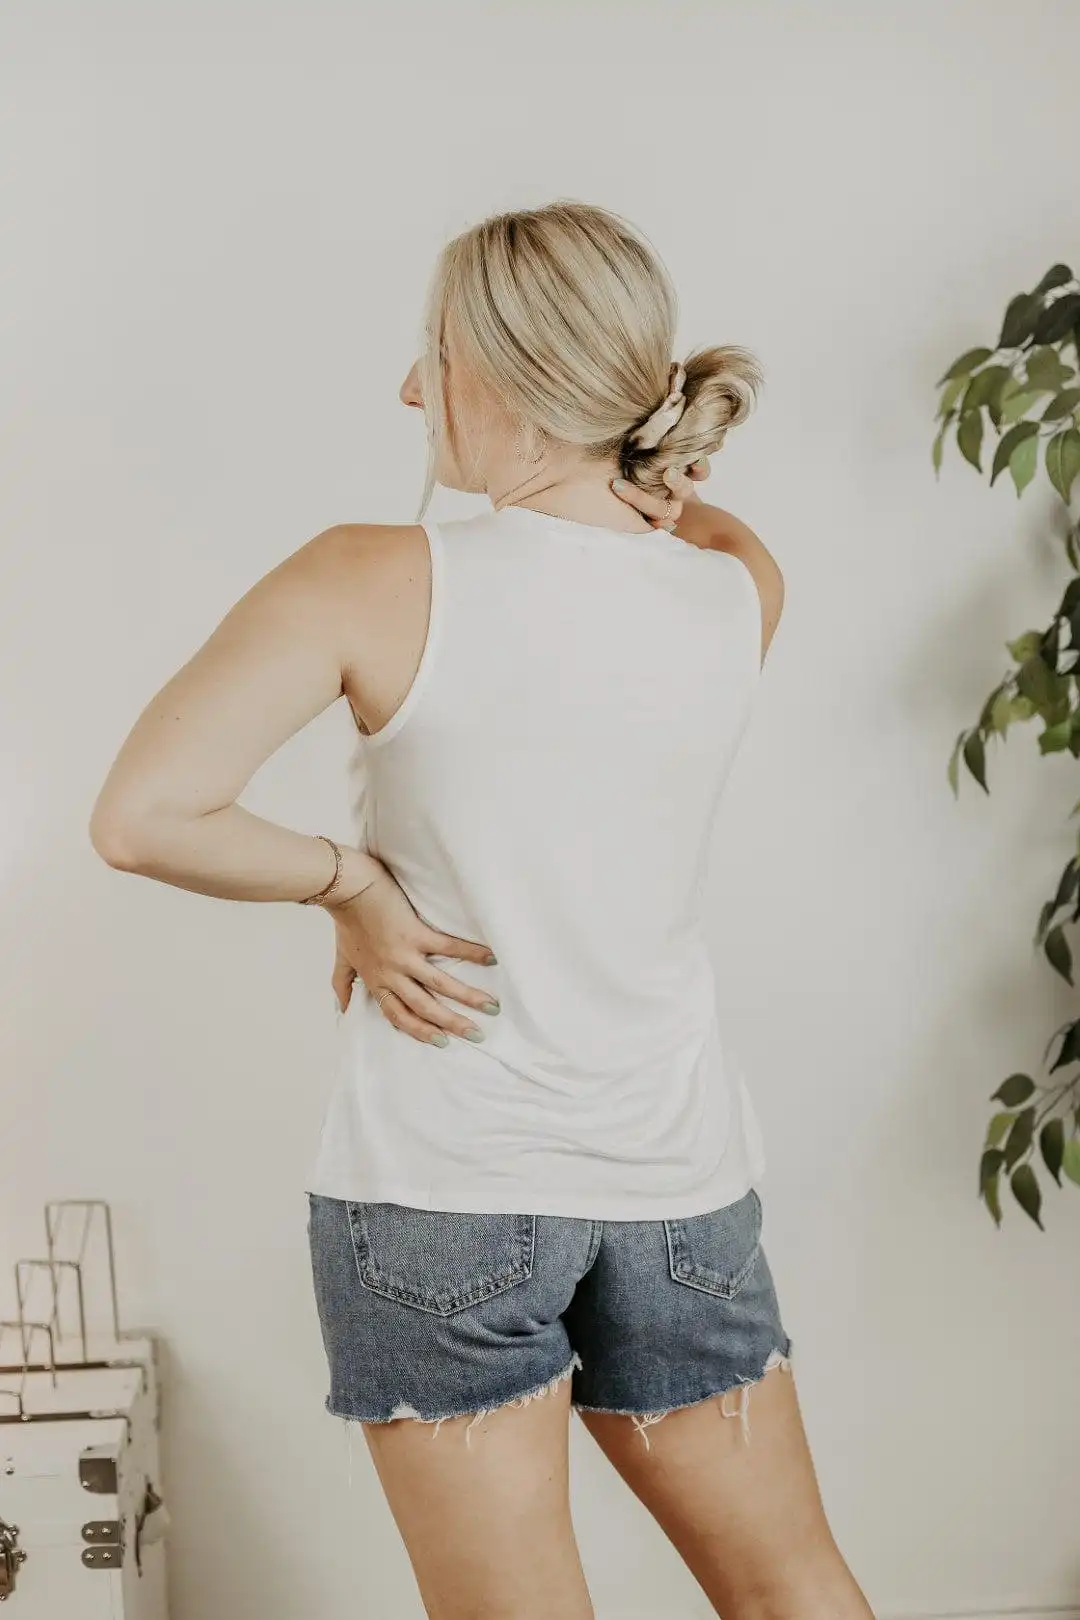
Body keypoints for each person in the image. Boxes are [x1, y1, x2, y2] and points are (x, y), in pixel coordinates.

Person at [90, 201, 872, 1619]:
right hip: (678, 1187)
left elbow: (143, 818)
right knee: (793, 1590)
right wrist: (661, 479)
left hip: (444, 1190)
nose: (407, 390)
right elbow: (704, 523)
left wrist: (352, 885)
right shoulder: (735, 588)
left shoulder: (372, 573)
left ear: (507, 381)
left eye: (432, 354)